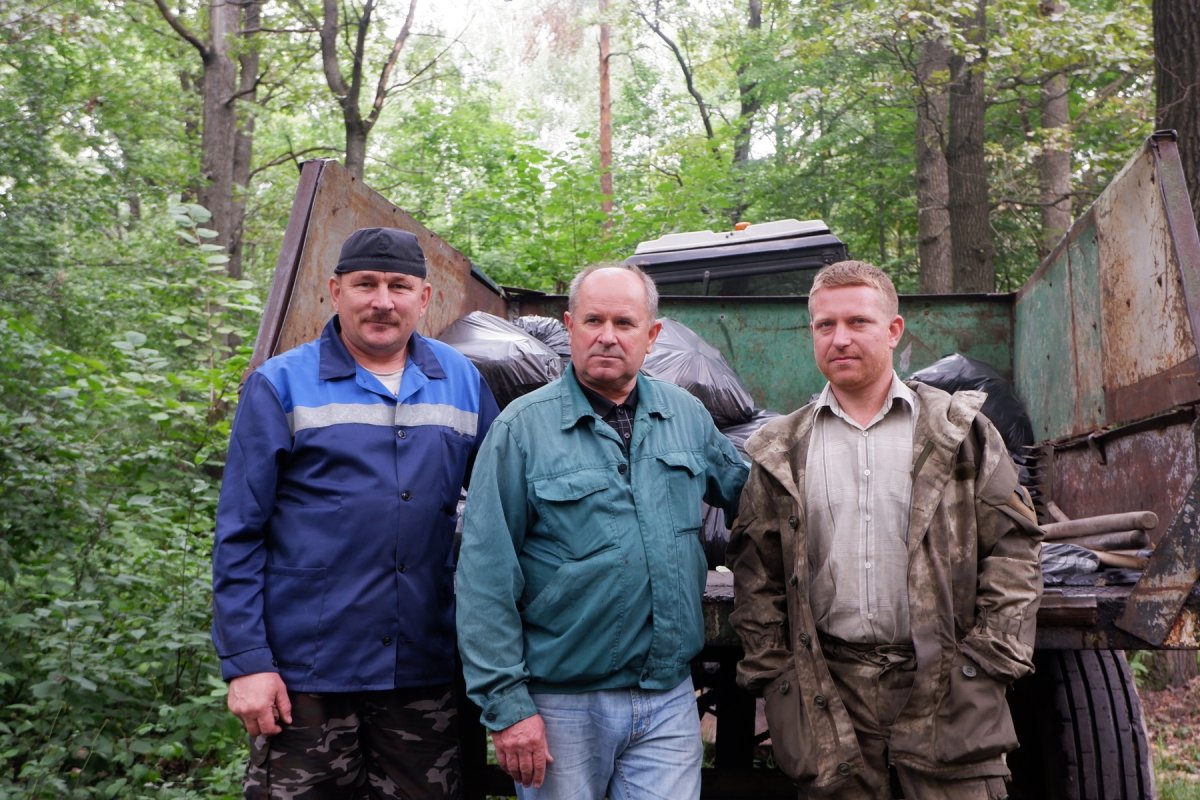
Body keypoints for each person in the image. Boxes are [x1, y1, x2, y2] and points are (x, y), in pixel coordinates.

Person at [727, 260, 1042, 799]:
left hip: (948, 693)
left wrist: (985, 665)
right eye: (825, 325)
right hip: (831, 700)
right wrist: (779, 680)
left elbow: (1013, 553)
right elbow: (757, 576)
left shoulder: (958, 433)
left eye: (858, 322)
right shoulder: (782, 450)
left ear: (894, 330)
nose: (840, 338)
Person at [211, 227, 499, 799]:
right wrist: (246, 662)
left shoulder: (462, 382)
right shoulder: (280, 386)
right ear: (335, 290)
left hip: (422, 668)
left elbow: (503, 506)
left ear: (425, 297)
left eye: (399, 286)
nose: (382, 301)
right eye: (366, 284)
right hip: (307, 672)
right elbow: (239, 533)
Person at [455, 264, 748, 800]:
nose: (607, 336)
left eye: (624, 322)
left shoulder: (686, 416)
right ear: (570, 326)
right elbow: (484, 578)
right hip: (562, 702)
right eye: (593, 320)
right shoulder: (521, 429)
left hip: (667, 698)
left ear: (652, 335)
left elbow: (755, 507)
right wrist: (508, 705)